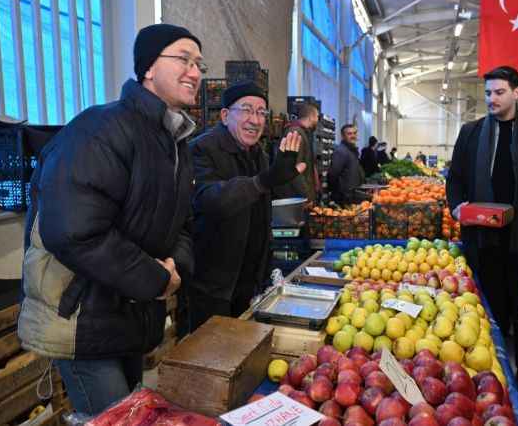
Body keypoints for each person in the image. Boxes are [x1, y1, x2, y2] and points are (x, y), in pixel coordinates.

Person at [18, 24, 202, 415]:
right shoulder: (100, 130)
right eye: (184, 59)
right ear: (149, 67)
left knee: (134, 414)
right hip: (82, 316)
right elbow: (73, 232)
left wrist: (175, 268)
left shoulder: (174, 144)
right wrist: (155, 279)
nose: (195, 71)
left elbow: (181, 221)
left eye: (199, 63)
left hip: (129, 315)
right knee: (118, 418)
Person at [446, 66, 518, 398]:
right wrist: (458, 205)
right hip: (482, 238)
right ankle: (492, 370)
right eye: (488, 93)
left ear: (517, 93)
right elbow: (456, 178)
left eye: (499, 92)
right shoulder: (472, 132)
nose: (492, 98)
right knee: (489, 305)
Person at [186, 81, 306, 332]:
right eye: (247, 110)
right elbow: (211, 200)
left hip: (248, 279)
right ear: (225, 115)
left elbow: (262, 208)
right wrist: (264, 180)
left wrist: (284, 177)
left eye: (261, 112)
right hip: (213, 283)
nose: (256, 120)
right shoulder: (201, 149)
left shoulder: (257, 153)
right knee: (212, 354)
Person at [273, 102, 320, 201]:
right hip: (296, 197)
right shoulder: (295, 133)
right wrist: (306, 196)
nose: (317, 120)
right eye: (317, 117)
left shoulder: (302, 133)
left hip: (298, 196)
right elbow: (294, 169)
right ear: (311, 117)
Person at [328, 124, 366, 204]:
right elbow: (333, 174)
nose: (353, 136)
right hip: (344, 197)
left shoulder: (352, 150)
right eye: (349, 134)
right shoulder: (341, 151)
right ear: (343, 136)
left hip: (352, 194)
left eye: (354, 133)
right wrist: (338, 193)